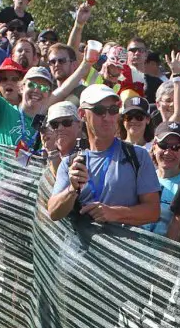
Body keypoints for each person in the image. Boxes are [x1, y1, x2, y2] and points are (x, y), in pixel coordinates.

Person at [47, 84, 160, 224]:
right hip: (81, 245)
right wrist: (71, 190)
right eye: (99, 110)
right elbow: (53, 212)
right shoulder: (71, 162)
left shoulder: (138, 156)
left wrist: (114, 213)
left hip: (124, 245)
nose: (107, 117)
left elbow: (153, 212)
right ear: (82, 114)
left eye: (113, 110)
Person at [0, 22, 92, 147]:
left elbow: (63, 90)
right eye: (32, 85)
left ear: (49, 94)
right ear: (21, 87)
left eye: (43, 87)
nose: (37, 90)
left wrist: (86, 64)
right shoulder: (3, 110)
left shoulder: (45, 118)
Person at [143, 122, 180, 236]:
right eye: (163, 145)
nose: (168, 152)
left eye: (176, 147)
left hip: (166, 252)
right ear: (154, 147)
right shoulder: (142, 178)